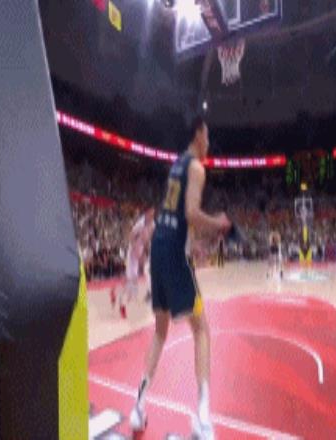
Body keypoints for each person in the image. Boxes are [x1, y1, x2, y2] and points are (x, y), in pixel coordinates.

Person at [129, 117, 231, 439]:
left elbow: (174, 217)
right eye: (208, 136)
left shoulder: (175, 165)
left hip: (159, 251)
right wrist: (219, 223)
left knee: (160, 332)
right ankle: (202, 418)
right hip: (173, 254)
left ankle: (138, 407)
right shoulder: (196, 168)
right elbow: (190, 214)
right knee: (202, 330)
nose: (209, 143)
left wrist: (194, 245)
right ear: (198, 134)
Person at [111, 207, 155, 319]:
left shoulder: (152, 225)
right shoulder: (140, 224)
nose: (152, 215)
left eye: (153, 213)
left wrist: (144, 254)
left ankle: (116, 293)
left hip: (138, 254)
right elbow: (131, 237)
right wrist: (137, 252)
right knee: (132, 285)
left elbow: (146, 241)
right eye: (150, 213)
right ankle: (121, 304)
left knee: (132, 287)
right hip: (132, 255)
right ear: (146, 213)